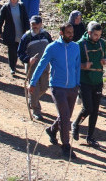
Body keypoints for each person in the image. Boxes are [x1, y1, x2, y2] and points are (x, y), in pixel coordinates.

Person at [29, 22, 81, 159]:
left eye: (72, 32)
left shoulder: (76, 47)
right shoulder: (52, 48)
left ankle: (52, 130)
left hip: (72, 88)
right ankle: (66, 146)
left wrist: (77, 85)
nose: (71, 35)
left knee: (66, 116)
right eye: (68, 32)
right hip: (58, 87)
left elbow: (77, 67)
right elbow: (41, 65)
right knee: (65, 117)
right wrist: (33, 82)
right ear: (61, 33)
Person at [72, 21, 106, 147]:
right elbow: (72, 64)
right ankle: (76, 124)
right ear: (89, 33)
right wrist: (83, 66)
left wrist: (104, 61)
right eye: (95, 35)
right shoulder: (79, 45)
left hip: (98, 81)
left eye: (99, 35)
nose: (97, 37)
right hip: (84, 81)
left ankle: (90, 137)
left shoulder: (102, 43)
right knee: (88, 108)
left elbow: (104, 56)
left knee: (95, 110)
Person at [18, 16, 53, 118]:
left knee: (44, 87)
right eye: (33, 24)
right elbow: (20, 53)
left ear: (41, 24)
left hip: (45, 66)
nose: (34, 26)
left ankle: (32, 100)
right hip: (32, 67)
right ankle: (36, 110)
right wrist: (28, 59)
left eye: (36, 24)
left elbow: (52, 48)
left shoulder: (46, 35)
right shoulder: (26, 37)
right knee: (34, 88)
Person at [0, 0, 30, 76]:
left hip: (20, 32)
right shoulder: (6, 7)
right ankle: (12, 67)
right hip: (10, 33)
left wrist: (28, 30)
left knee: (22, 49)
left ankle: (25, 65)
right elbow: (1, 20)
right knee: (12, 51)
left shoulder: (21, 6)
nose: (14, 0)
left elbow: (26, 19)